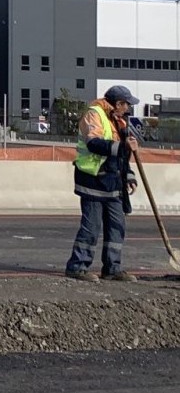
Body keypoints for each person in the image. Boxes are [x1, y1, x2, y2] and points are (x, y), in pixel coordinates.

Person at [65, 85, 139, 282]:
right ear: (117, 103)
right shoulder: (94, 115)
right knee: (91, 227)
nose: (128, 109)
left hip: (113, 183)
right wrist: (123, 146)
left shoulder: (119, 121)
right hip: (93, 180)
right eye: (126, 105)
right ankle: (77, 266)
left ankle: (112, 268)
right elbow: (93, 144)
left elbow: (122, 156)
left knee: (117, 226)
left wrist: (129, 174)